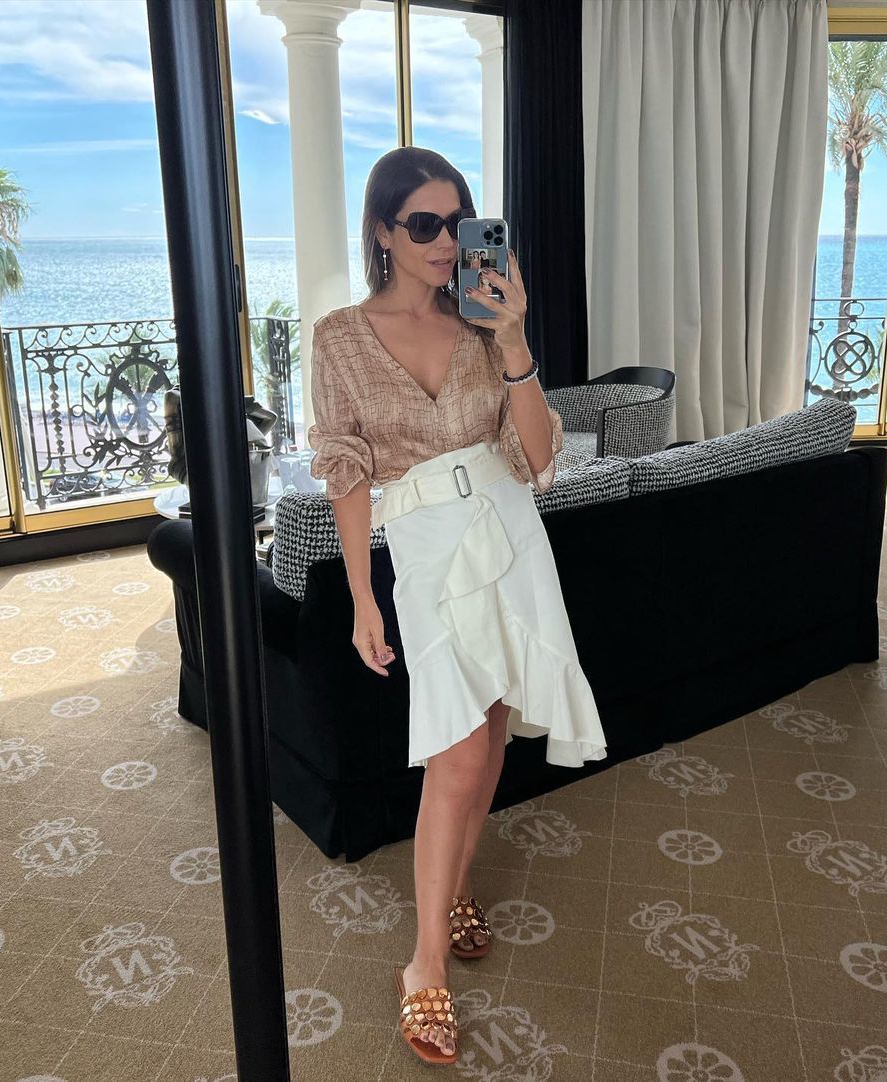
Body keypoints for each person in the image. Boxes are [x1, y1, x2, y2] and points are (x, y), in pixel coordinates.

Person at [306, 146, 607, 1066]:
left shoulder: (484, 324)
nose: (445, 242)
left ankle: (457, 888)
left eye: (458, 221)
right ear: (383, 232)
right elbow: (345, 471)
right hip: (428, 548)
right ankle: (424, 964)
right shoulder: (339, 337)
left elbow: (539, 459)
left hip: (511, 532)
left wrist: (515, 343)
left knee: (492, 730)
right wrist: (362, 597)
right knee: (457, 747)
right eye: (424, 224)